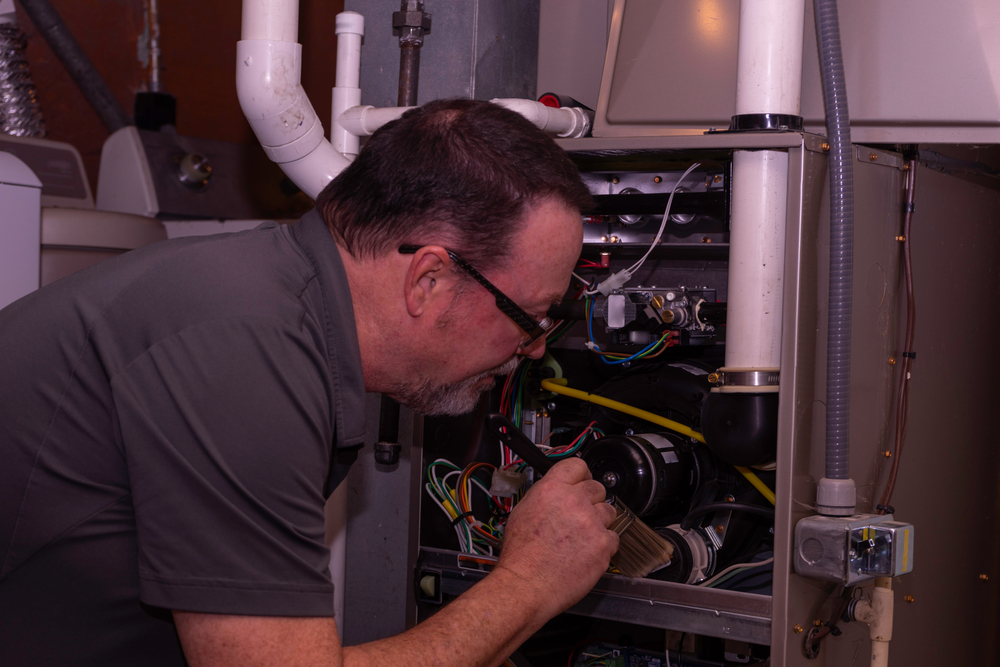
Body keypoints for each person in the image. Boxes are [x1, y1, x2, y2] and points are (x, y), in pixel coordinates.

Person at [0, 99, 619, 666]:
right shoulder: (244, 353)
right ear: (427, 280)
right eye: (530, 317)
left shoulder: (275, 301)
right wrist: (531, 583)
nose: (535, 347)